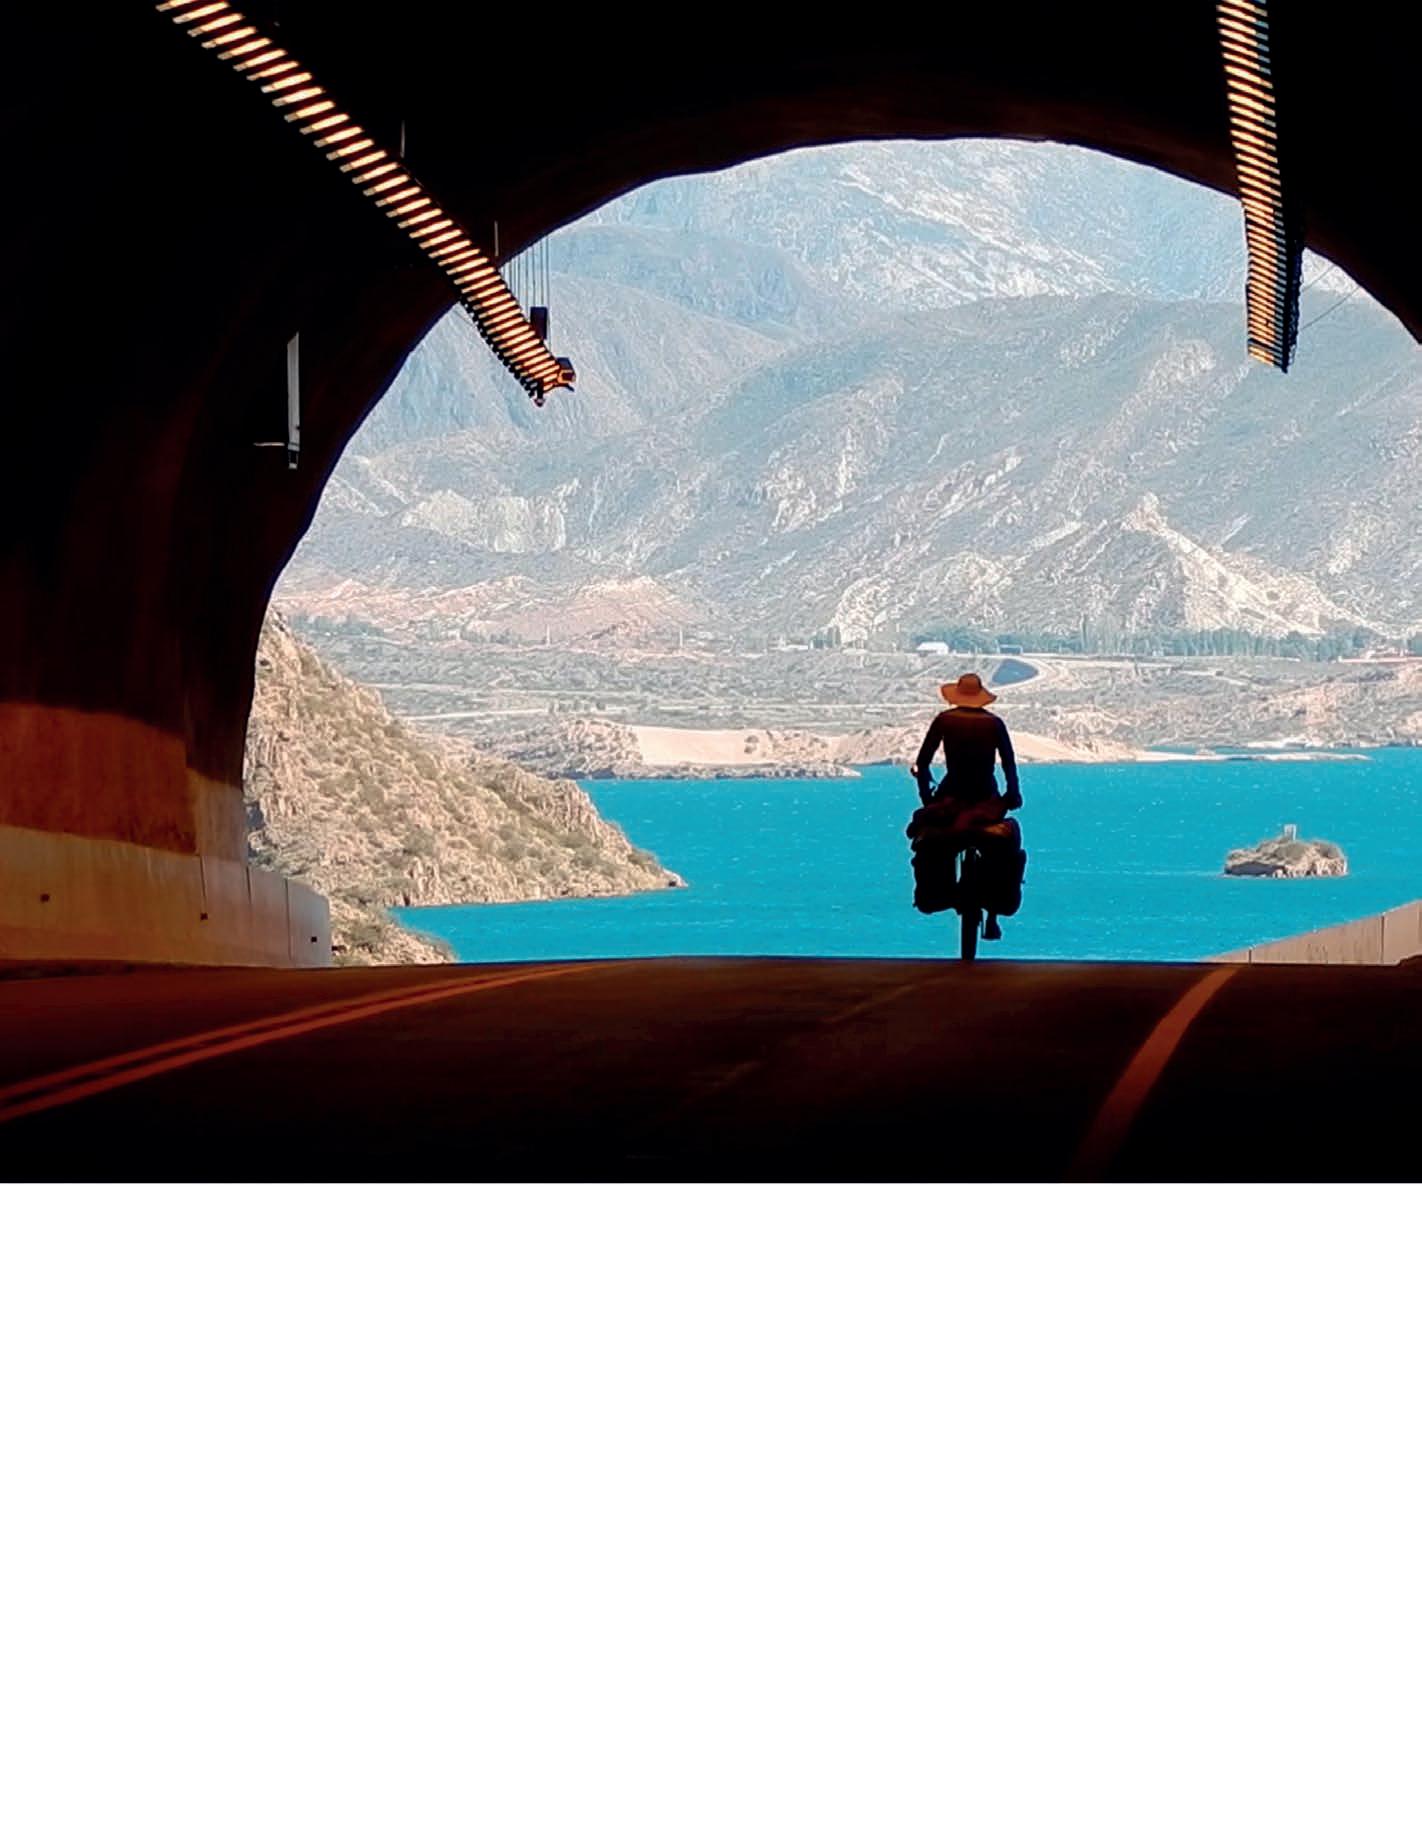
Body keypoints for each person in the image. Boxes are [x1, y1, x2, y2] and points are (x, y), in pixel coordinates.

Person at [910, 672, 1023, 940]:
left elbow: (923, 763)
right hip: (986, 798)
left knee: (927, 836)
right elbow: (1008, 763)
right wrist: (1013, 794)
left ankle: (943, 892)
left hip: (952, 795)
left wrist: (926, 796)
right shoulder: (994, 723)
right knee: (1004, 844)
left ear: (956, 696)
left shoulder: (944, 720)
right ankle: (992, 914)